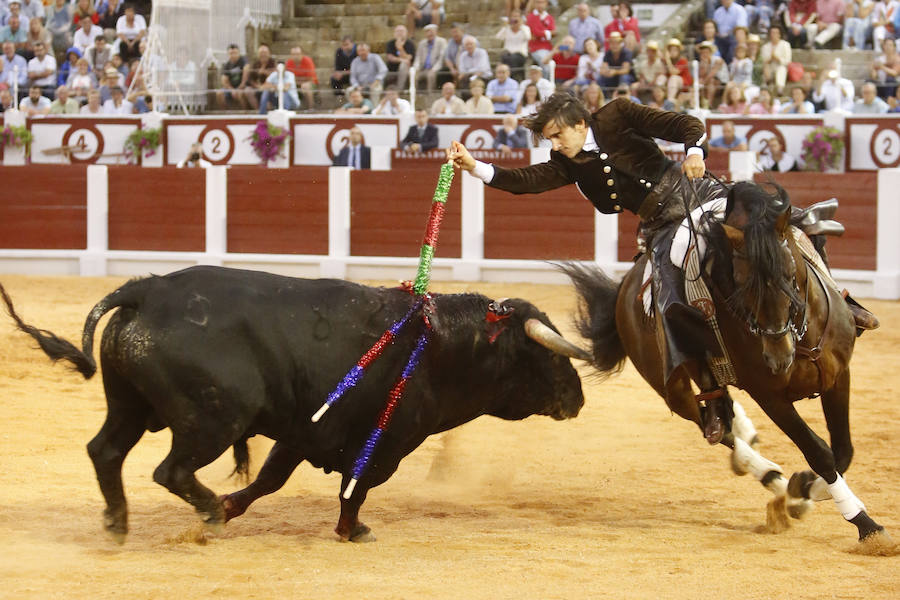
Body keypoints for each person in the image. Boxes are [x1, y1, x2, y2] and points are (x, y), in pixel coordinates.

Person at [445, 93, 732, 443]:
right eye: (549, 138)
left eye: (557, 135)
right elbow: (526, 181)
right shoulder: (566, 161)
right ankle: (715, 400)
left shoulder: (618, 114)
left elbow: (687, 125)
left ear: (580, 125)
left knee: (762, 228)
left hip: (693, 194)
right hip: (658, 225)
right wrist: (475, 166)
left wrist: (694, 152)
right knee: (666, 307)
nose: (554, 144)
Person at [495, 10, 530, 81]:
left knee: (513, 59)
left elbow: (528, 37)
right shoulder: (507, 28)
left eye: (517, 16)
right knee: (505, 57)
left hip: (520, 54)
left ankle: (509, 78)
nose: (515, 18)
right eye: (513, 16)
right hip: (508, 53)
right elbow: (498, 37)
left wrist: (521, 26)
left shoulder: (525, 28)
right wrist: (505, 27)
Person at [240, 43, 276, 110]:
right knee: (247, 91)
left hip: (269, 89)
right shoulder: (255, 64)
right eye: (261, 53)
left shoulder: (273, 63)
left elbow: (275, 77)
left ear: (269, 53)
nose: (263, 55)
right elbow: (250, 79)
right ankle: (257, 111)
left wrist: (265, 73)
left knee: (267, 98)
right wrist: (257, 86)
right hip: (257, 87)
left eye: (265, 52)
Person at [413, 23, 446, 94]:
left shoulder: (441, 42)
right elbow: (418, 57)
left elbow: (441, 59)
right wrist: (416, 67)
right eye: (427, 32)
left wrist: (434, 69)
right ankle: (415, 95)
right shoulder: (422, 43)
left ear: (436, 32)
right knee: (414, 75)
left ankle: (430, 95)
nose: (429, 34)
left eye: (431, 31)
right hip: (423, 68)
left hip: (436, 68)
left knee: (430, 75)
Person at [526, 0, 555, 78]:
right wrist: (548, 33)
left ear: (546, 4)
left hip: (549, 47)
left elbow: (554, 31)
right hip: (536, 48)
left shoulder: (549, 17)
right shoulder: (531, 17)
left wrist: (543, 34)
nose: (540, 5)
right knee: (546, 65)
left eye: (542, 2)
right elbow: (535, 32)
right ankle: (546, 85)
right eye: (538, 2)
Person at [761, 27, 791, 96]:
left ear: (779, 34)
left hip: (781, 65)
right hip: (769, 66)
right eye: (772, 33)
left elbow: (788, 61)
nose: (773, 35)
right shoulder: (765, 46)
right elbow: (763, 61)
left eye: (775, 33)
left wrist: (777, 58)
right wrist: (771, 59)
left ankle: (780, 89)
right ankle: (767, 85)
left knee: (781, 69)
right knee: (766, 67)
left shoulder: (785, 45)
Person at [285, 45, 317, 109]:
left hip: (310, 83)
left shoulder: (308, 61)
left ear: (302, 54)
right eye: (293, 54)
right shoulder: (289, 62)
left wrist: (296, 80)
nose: (296, 56)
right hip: (295, 84)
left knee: (306, 86)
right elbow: (287, 78)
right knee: (286, 86)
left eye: (298, 54)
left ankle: (311, 108)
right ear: (291, 55)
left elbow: (310, 79)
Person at [384, 24, 415, 91]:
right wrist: (401, 60)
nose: (399, 33)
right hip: (392, 67)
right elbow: (390, 57)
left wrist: (400, 48)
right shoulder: (390, 43)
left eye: (401, 31)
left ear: (406, 33)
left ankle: (399, 89)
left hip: (406, 68)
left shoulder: (410, 43)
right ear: (394, 33)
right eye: (397, 31)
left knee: (403, 65)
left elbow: (409, 58)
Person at [217, 43, 247, 109]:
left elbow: (246, 70)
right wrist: (232, 90)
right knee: (219, 93)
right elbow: (224, 81)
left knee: (240, 94)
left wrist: (241, 85)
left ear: (239, 53)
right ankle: (225, 114)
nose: (233, 55)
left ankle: (244, 114)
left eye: (235, 53)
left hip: (243, 87)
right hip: (231, 88)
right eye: (231, 53)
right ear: (228, 54)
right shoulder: (226, 65)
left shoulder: (243, 60)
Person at [663, 38, 692, 103]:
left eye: (675, 50)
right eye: (670, 50)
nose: (672, 52)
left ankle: (669, 101)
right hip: (672, 85)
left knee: (673, 78)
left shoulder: (683, 60)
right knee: (661, 78)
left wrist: (668, 60)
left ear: (679, 51)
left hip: (684, 85)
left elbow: (673, 73)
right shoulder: (667, 61)